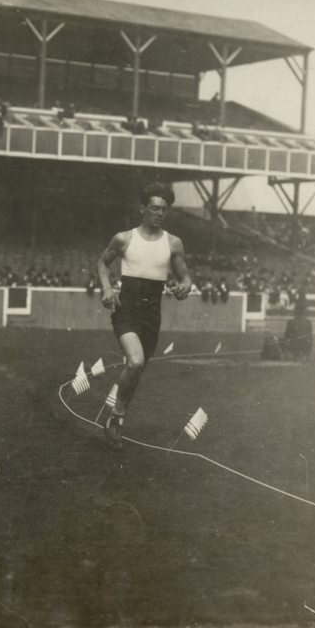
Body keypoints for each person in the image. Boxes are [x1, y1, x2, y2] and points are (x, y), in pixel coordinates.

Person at [97, 182, 192, 451]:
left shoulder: (173, 243)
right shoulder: (124, 239)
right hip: (126, 309)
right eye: (154, 208)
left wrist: (184, 286)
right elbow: (102, 262)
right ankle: (116, 419)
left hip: (152, 315)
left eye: (164, 209)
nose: (160, 213)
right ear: (142, 209)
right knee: (135, 362)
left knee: (136, 371)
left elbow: (185, 277)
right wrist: (107, 288)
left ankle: (117, 414)